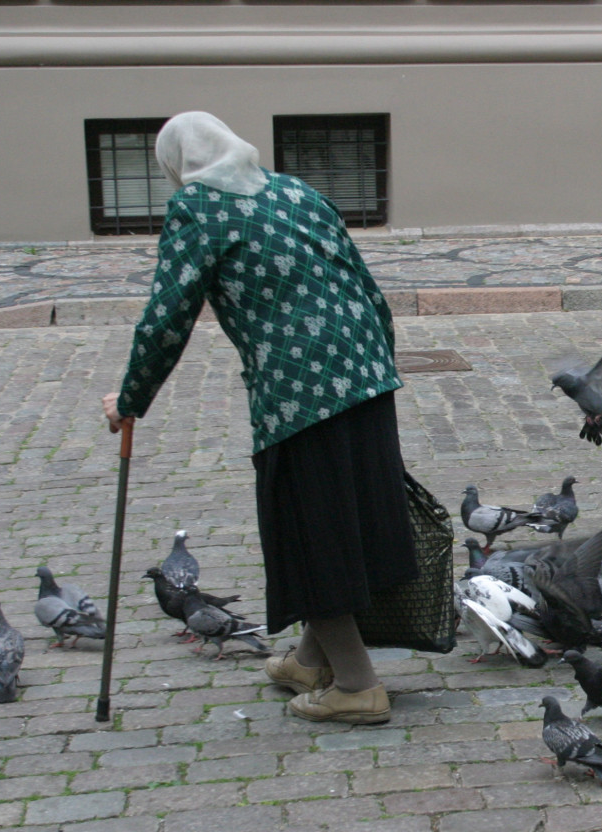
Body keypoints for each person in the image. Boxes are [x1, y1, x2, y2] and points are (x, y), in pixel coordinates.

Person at [102, 111, 415, 724]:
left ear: (177, 164)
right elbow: (365, 285)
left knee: (309, 531)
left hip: (298, 394)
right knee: (348, 517)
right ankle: (308, 660)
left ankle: (356, 684)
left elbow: (168, 315)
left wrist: (130, 399)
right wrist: (374, 366)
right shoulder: (295, 189)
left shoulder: (198, 206)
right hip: (367, 370)